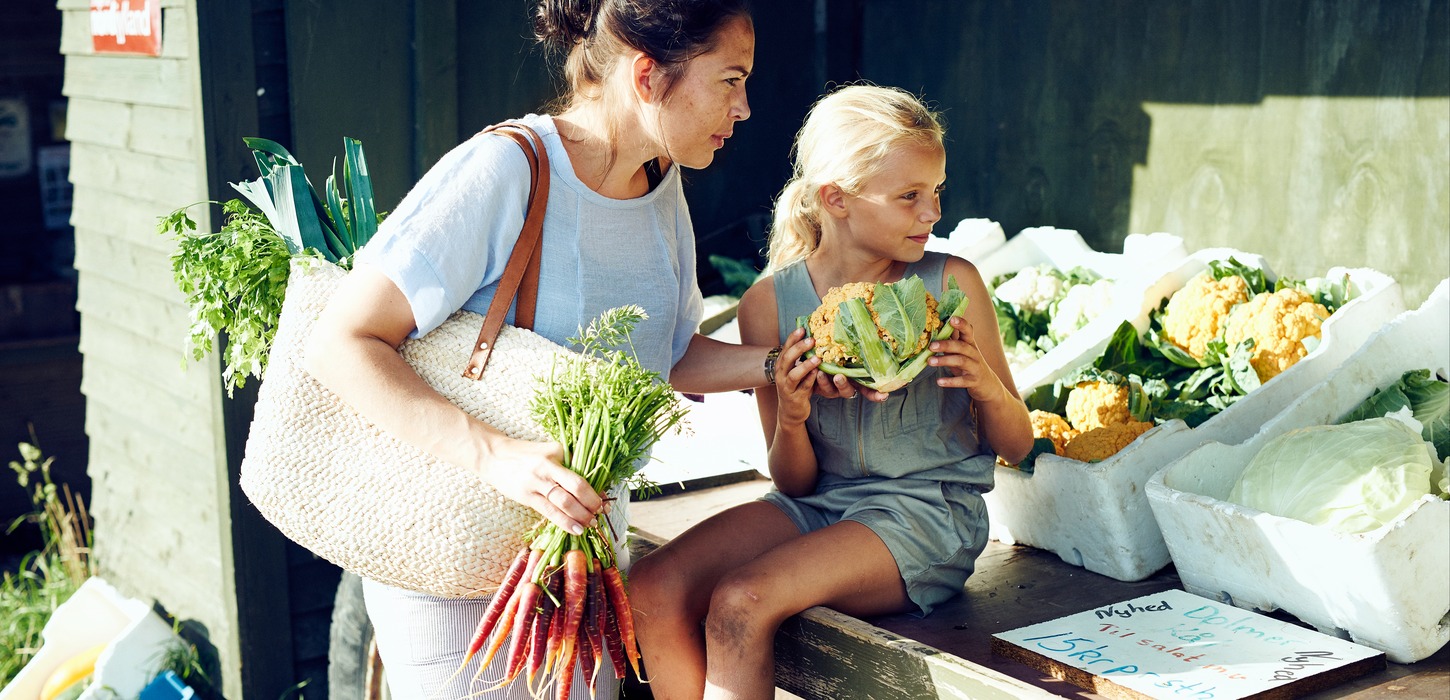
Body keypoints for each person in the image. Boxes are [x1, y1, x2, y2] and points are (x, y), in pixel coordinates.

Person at [304, 1, 863, 697]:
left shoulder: (662, 188)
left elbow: (661, 356)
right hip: (459, 570)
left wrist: (778, 367)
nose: (745, 108)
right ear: (649, 77)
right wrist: (496, 456)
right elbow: (340, 341)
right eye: (729, 80)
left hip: (582, 571)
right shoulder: (505, 170)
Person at [629, 84, 1035, 700]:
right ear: (836, 200)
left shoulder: (951, 281)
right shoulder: (770, 305)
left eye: (935, 193)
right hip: (818, 506)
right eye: (909, 197)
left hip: (926, 515)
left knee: (741, 601)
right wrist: (792, 418)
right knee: (651, 586)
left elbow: (1019, 443)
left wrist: (984, 385)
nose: (932, 214)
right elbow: (792, 484)